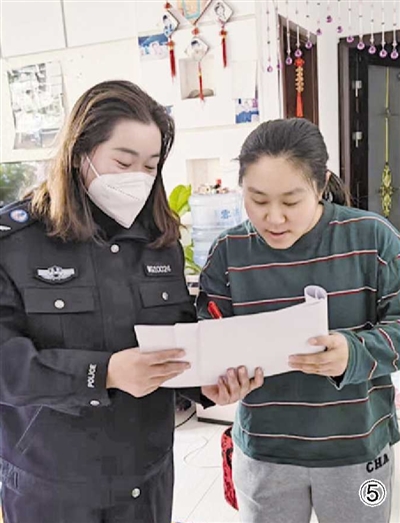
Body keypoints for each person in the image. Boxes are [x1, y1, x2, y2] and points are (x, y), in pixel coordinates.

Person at [0, 80, 263, 523]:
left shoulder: (159, 240)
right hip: (52, 486)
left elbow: (177, 341)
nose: (138, 178)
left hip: (145, 481)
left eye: (150, 166)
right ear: (79, 153)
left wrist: (204, 385)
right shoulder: (17, 243)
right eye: (124, 162)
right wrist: (103, 374)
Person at [197, 118, 400, 523]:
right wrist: (214, 382)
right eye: (257, 200)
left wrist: (354, 353)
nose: (274, 218)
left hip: (356, 450)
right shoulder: (228, 252)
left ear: (321, 185)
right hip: (265, 453)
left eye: (291, 202)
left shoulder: (372, 239)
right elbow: (207, 340)